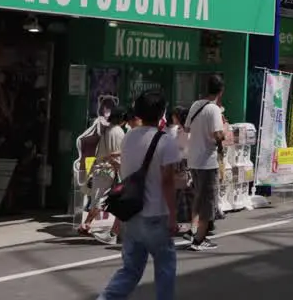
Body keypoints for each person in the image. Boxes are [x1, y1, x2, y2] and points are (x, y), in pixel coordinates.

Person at [97, 90, 181, 300]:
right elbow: (168, 181)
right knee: (165, 267)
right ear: (162, 112)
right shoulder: (165, 141)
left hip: (132, 214)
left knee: (130, 270)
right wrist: (173, 215)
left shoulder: (128, 138)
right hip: (156, 214)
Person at [185, 74, 226, 251]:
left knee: (198, 196)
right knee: (208, 200)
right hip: (207, 161)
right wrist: (223, 135)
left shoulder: (196, 105)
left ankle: (192, 229)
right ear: (221, 91)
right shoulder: (215, 109)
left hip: (193, 159)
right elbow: (217, 134)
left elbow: (187, 127)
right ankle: (199, 240)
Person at [80, 108, 127, 241]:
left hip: (100, 168)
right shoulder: (118, 132)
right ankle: (86, 224)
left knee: (98, 198)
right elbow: (117, 154)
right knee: (100, 200)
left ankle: (87, 224)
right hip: (108, 169)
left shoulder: (106, 129)